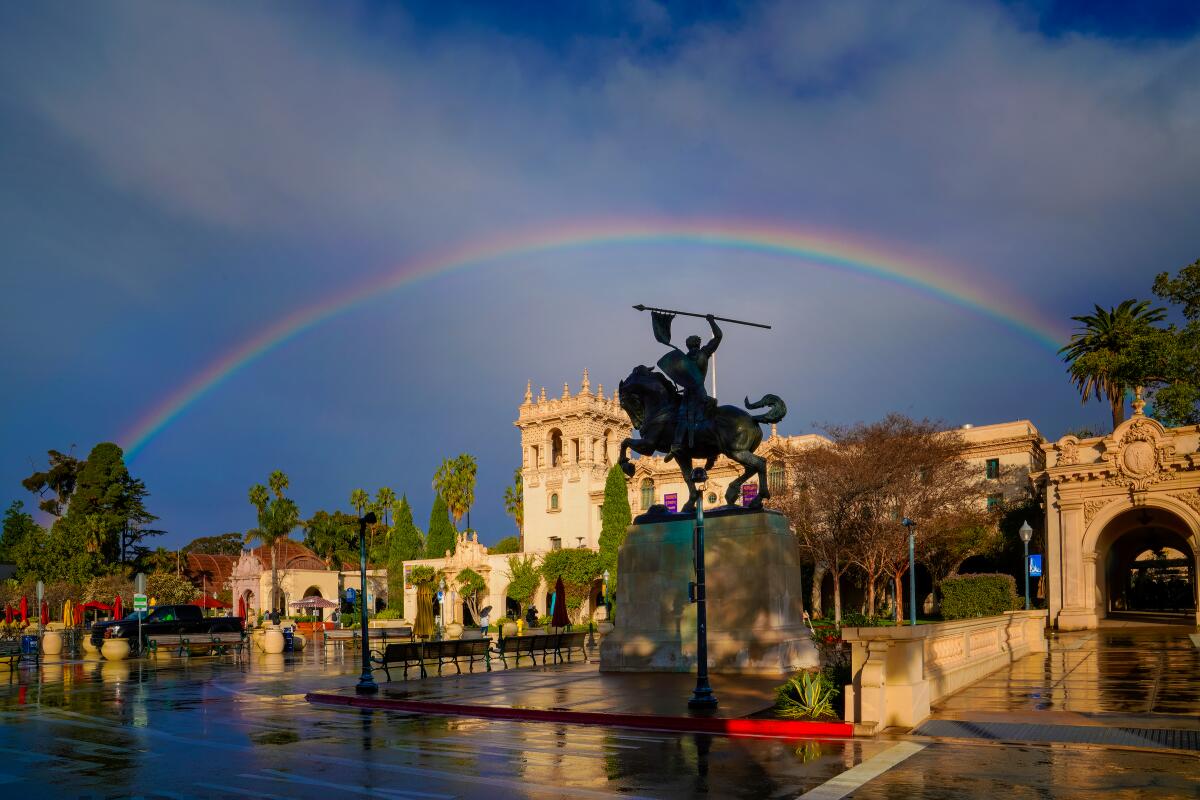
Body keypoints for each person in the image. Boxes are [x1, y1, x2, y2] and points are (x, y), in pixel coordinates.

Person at [650, 311, 722, 458]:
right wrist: (711, 321)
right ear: (698, 343)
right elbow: (718, 336)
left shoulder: (685, 359)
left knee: (681, 417)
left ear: (688, 345)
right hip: (695, 392)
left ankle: (676, 445)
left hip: (693, 394)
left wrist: (711, 321)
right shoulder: (702, 353)